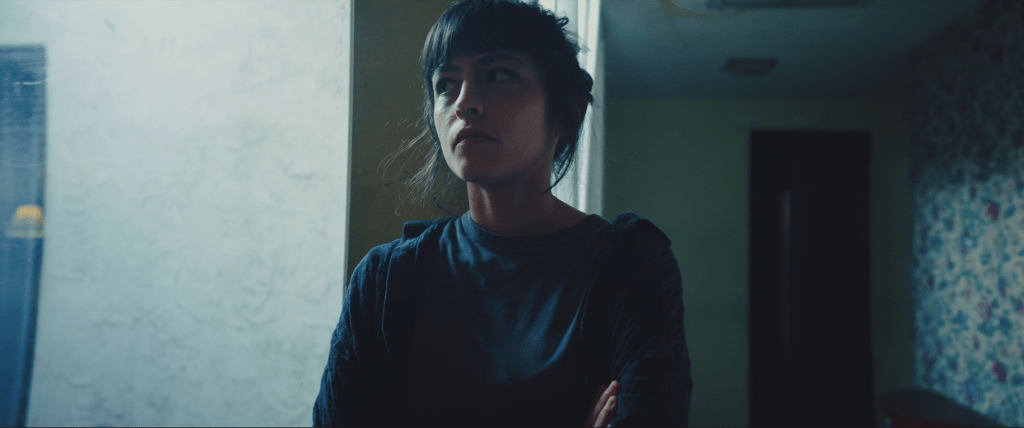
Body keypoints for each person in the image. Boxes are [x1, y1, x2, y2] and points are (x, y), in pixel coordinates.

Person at [313, 0, 692, 426]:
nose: (464, 103)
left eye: (498, 75)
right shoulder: (385, 280)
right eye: (446, 84)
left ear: (566, 110)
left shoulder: (631, 264)